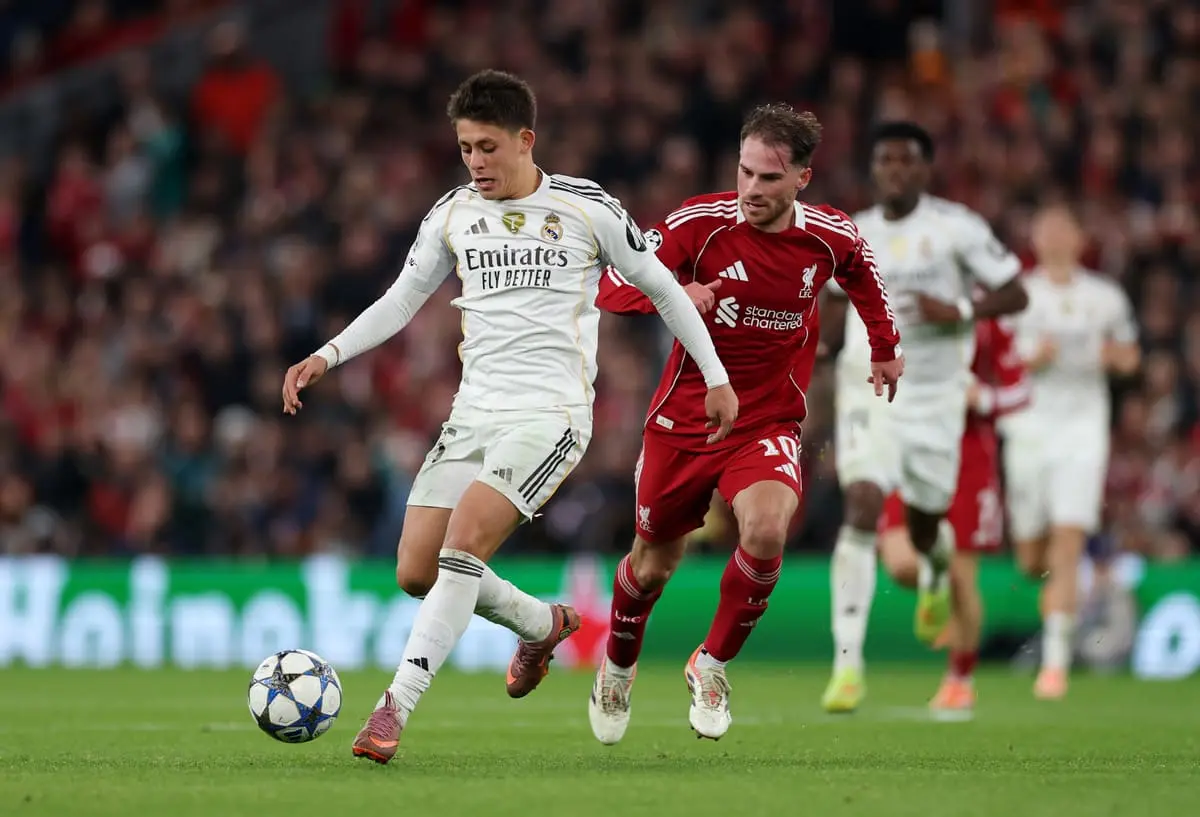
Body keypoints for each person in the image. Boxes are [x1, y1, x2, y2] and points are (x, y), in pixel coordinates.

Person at [280, 69, 739, 764]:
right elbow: (402, 300)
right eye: (465, 147)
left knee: (463, 544)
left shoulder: (588, 209)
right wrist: (327, 354)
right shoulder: (453, 213)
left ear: (526, 140)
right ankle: (539, 622)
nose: (475, 163)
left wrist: (716, 376)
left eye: (488, 147)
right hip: (474, 414)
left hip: (549, 416)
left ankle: (393, 706)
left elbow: (665, 290)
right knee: (415, 569)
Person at [590, 104, 903, 744]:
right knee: (651, 567)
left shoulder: (828, 236)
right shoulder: (696, 225)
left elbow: (863, 273)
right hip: (685, 421)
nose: (751, 190)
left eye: (768, 178)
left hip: (767, 421)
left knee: (766, 529)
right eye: (744, 172)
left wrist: (884, 343)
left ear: (802, 181)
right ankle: (618, 667)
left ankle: (712, 664)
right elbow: (611, 286)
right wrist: (674, 293)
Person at [821, 121, 1028, 714]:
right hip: (869, 390)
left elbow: (1016, 292)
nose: (894, 171)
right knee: (862, 501)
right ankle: (847, 667)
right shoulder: (851, 233)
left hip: (938, 399)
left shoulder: (955, 229)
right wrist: (810, 361)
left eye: (906, 161)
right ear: (873, 169)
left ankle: (938, 578)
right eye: (884, 160)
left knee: (925, 531)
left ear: (925, 168)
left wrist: (961, 308)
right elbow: (833, 313)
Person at [999, 203, 1139, 700]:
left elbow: (1129, 354)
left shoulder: (1104, 297)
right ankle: (1055, 611)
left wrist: (1115, 357)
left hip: (1082, 431)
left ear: (1081, 238)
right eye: (1047, 227)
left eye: (1065, 227)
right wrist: (1029, 360)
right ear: (1034, 237)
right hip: (1028, 430)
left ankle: (1055, 663)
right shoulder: (1018, 296)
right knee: (1031, 556)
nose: (1056, 235)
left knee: (1068, 541)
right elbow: (995, 362)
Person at [873, 317, 1030, 714]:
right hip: (908, 439)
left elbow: (1021, 391)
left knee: (963, 574)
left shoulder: (991, 316)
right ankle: (932, 577)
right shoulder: (907, 297)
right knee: (900, 562)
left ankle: (960, 678)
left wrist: (984, 399)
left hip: (968, 454)